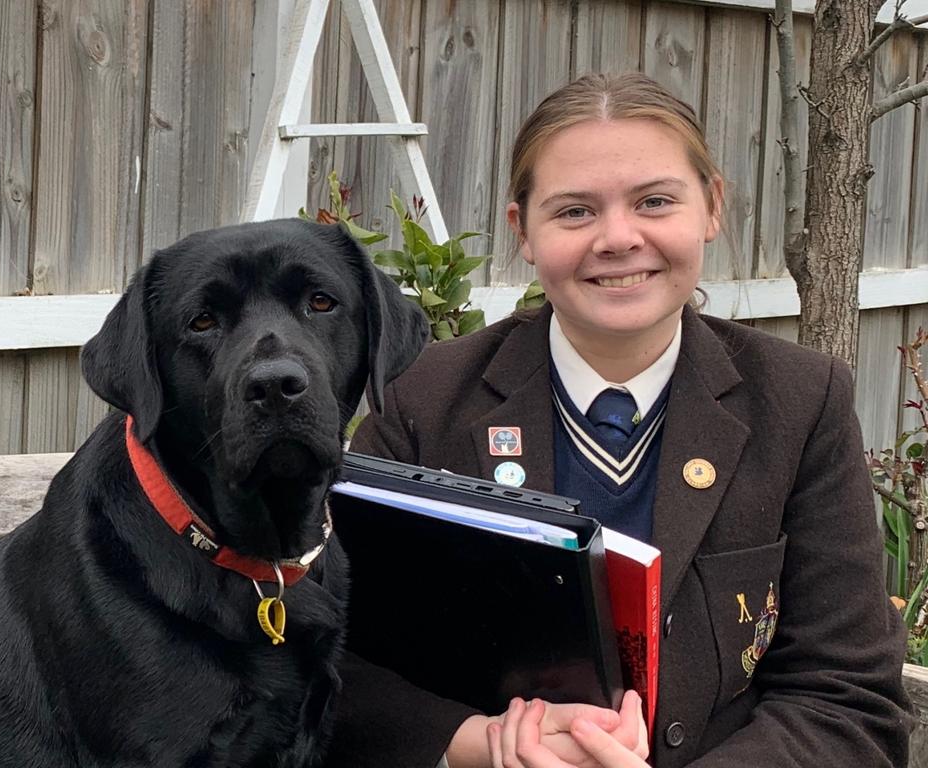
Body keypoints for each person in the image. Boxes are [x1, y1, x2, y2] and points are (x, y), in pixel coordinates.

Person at [325, 72, 911, 767]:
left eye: (655, 201)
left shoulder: (799, 402)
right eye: (574, 212)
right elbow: (333, 654)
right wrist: (476, 746)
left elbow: (847, 697)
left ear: (712, 206)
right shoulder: (422, 399)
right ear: (524, 232)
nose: (618, 238)